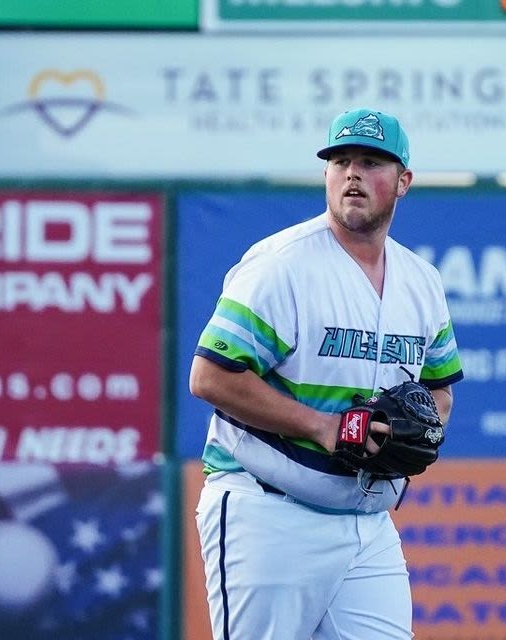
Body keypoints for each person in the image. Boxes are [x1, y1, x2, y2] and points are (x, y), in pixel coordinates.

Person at [189, 107, 463, 639]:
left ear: (403, 181)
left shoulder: (420, 281)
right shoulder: (281, 265)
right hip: (268, 511)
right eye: (340, 161)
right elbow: (210, 377)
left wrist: (421, 428)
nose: (353, 173)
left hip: (367, 522)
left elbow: (439, 390)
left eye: (370, 161)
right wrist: (325, 427)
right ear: (326, 176)